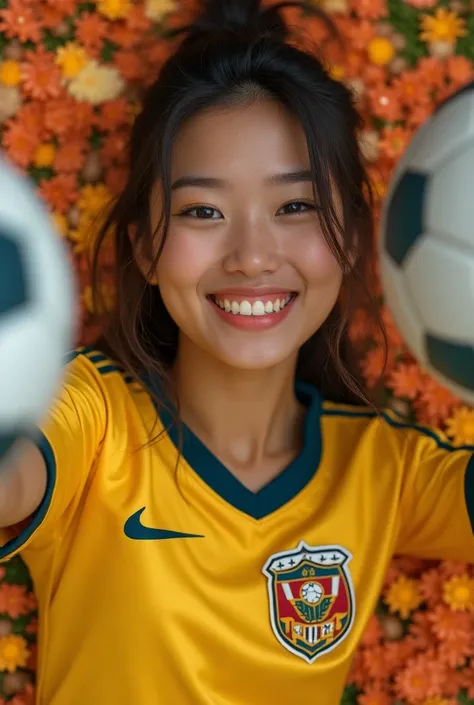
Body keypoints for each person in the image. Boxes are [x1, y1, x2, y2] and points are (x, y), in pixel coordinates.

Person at [0, 1, 473, 703]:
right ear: (144, 246)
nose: (252, 257)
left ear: (351, 236)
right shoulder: (93, 417)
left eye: (295, 207)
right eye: (202, 211)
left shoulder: (383, 470)